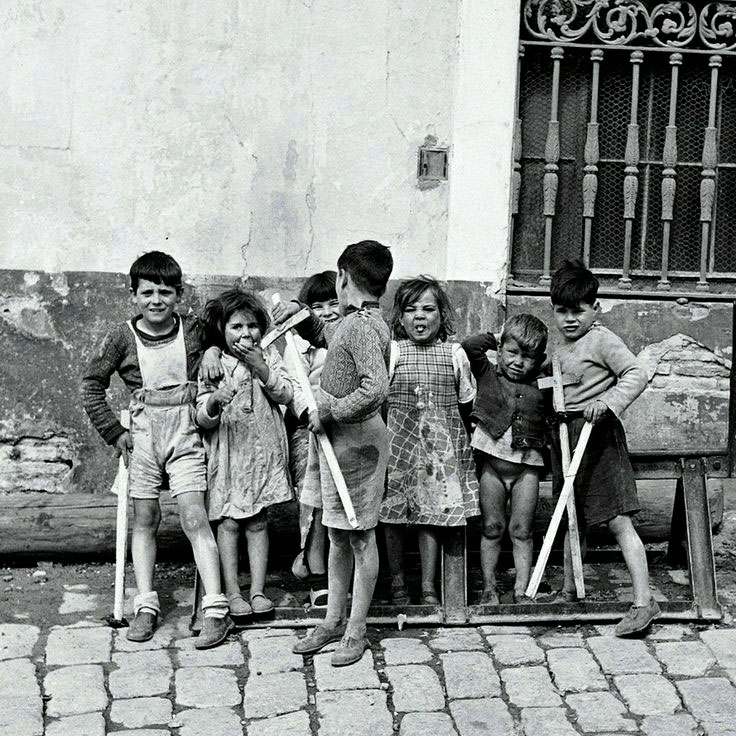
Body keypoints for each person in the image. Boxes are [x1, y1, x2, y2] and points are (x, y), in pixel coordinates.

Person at [82, 251, 231, 648]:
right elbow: (91, 384)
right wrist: (114, 432)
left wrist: (214, 349)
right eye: (147, 293)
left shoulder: (194, 329)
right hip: (144, 433)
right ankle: (146, 604)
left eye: (165, 292)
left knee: (194, 516)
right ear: (133, 295)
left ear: (179, 295)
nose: (156, 301)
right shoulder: (120, 337)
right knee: (144, 517)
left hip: (185, 429)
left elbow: (222, 332)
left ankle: (216, 607)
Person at [275, 240, 393, 667]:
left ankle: (356, 630)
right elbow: (329, 337)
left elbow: (375, 387)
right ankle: (331, 620)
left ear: (343, 278)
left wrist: (330, 411)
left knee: (360, 536)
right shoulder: (356, 321)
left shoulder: (362, 326)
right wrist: (299, 316)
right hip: (339, 440)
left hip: (357, 440)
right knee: (339, 532)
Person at [548, 259, 652, 637]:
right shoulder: (559, 351)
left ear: (596, 308)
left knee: (616, 518)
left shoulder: (603, 340)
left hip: (599, 435)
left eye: (578, 310)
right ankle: (570, 591)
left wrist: (607, 403)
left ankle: (644, 601)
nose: (570, 319)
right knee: (570, 516)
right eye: (562, 311)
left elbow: (637, 373)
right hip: (566, 438)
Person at [379, 275, 479, 605]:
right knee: (393, 514)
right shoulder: (393, 352)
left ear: (442, 316)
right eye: (410, 310)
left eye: (428, 309)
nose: (419, 316)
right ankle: (397, 583)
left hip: (441, 450)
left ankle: (428, 585)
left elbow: (465, 404)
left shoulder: (454, 354)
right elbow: (379, 402)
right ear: (399, 317)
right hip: (400, 447)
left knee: (432, 516)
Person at [196, 288, 294, 620]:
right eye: (236, 327)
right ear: (222, 331)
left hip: (261, 451)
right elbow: (200, 415)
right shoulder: (212, 363)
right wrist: (213, 401)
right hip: (229, 452)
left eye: (252, 326)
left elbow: (285, 393)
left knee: (257, 521)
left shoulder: (269, 356)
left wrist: (262, 367)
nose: (246, 333)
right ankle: (232, 592)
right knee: (228, 523)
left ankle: (257, 589)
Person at [462, 314, 548, 604]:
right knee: (492, 527)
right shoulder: (488, 372)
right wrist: (499, 337)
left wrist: (538, 361)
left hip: (527, 467)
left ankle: (522, 589)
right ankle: (489, 588)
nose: (518, 362)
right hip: (492, 467)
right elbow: (470, 345)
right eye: (512, 353)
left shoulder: (541, 383)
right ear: (500, 351)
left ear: (538, 361)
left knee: (522, 530)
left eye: (527, 357)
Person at [285, 271, 340, 608]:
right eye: (318, 306)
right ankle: (315, 564)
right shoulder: (299, 344)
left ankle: (339, 566)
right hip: (310, 426)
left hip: (344, 423)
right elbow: (294, 388)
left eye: (334, 302)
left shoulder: (348, 339)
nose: (328, 311)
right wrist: (311, 415)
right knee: (315, 489)